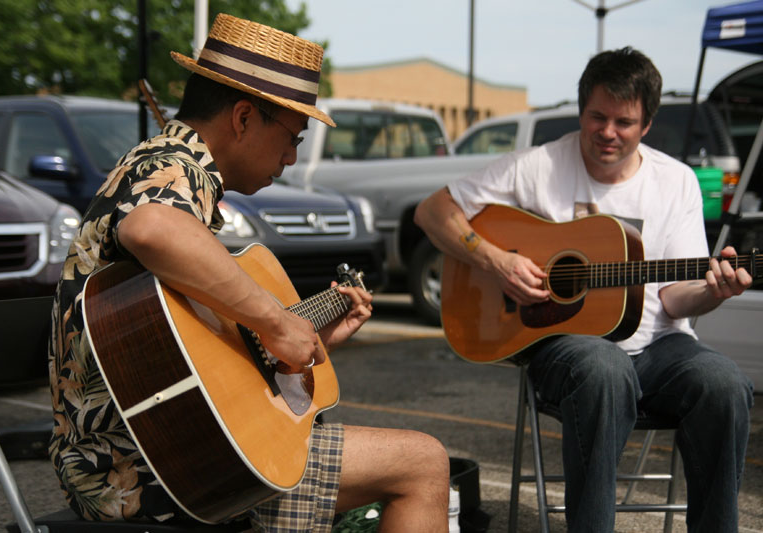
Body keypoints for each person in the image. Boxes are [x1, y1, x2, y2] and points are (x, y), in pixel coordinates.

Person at [48, 13, 449, 533]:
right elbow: (150, 228)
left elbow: (181, 354)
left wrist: (300, 335)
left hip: (134, 455)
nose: (290, 157)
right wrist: (277, 324)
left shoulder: (155, 164)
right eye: (293, 137)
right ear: (242, 118)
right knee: (424, 463)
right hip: (149, 469)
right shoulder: (174, 166)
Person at [416, 47, 754, 533]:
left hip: (661, 347)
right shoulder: (535, 167)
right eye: (598, 117)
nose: (609, 133)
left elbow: (677, 296)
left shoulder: (675, 181)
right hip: (565, 351)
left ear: (648, 124)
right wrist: (499, 261)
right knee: (604, 366)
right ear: (581, 111)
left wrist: (713, 293)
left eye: (625, 122)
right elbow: (433, 212)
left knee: (725, 383)